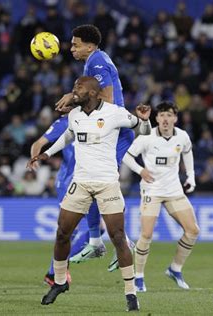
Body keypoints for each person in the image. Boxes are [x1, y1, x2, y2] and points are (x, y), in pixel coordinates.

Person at [29, 76, 151, 311]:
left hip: (107, 184)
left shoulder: (115, 113)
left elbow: (142, 129)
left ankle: (130, 293)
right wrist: (47, 153)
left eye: (79, 87)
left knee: (117, 237)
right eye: (74, 86)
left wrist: (145, 120)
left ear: (94, 93)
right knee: (62, 233)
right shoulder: (74, 115)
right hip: (81, 183)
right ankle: (60, 282)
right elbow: (68, 136)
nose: (74, 90)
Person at [55, 24, 136, 271]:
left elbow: (108, 101)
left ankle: (121, 243)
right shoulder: (94, 60)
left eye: (75, 44)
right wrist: (76, 100)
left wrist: (74, 100)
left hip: (114, 133)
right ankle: (95, 240)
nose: (71, 48)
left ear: (89, 45)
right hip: (108, 130)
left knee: (97, 181)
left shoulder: (97, 62)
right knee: (88, 179)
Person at [122, 101, 200, 292]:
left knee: (193, 231)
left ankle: (175, 269)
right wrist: (141, 171)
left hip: (174, 190)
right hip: (152, 190)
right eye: (162, 115)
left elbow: (187, 153)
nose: (165, 119)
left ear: (175, 118)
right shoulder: (147, 137)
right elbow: (126, 156)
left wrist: (191, 177)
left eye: (169, 115)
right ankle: (138, 277)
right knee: (146, 234)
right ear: (156, 118)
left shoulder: (182, 136)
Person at [29, 115, 105, 286]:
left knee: (99, 229)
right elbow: (38, 143)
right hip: (68, 181)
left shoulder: (99, 117)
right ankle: (54, 272)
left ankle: (55, 269)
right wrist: (35, 157)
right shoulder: (65, 122)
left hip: (89, 179)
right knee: (70, 229)